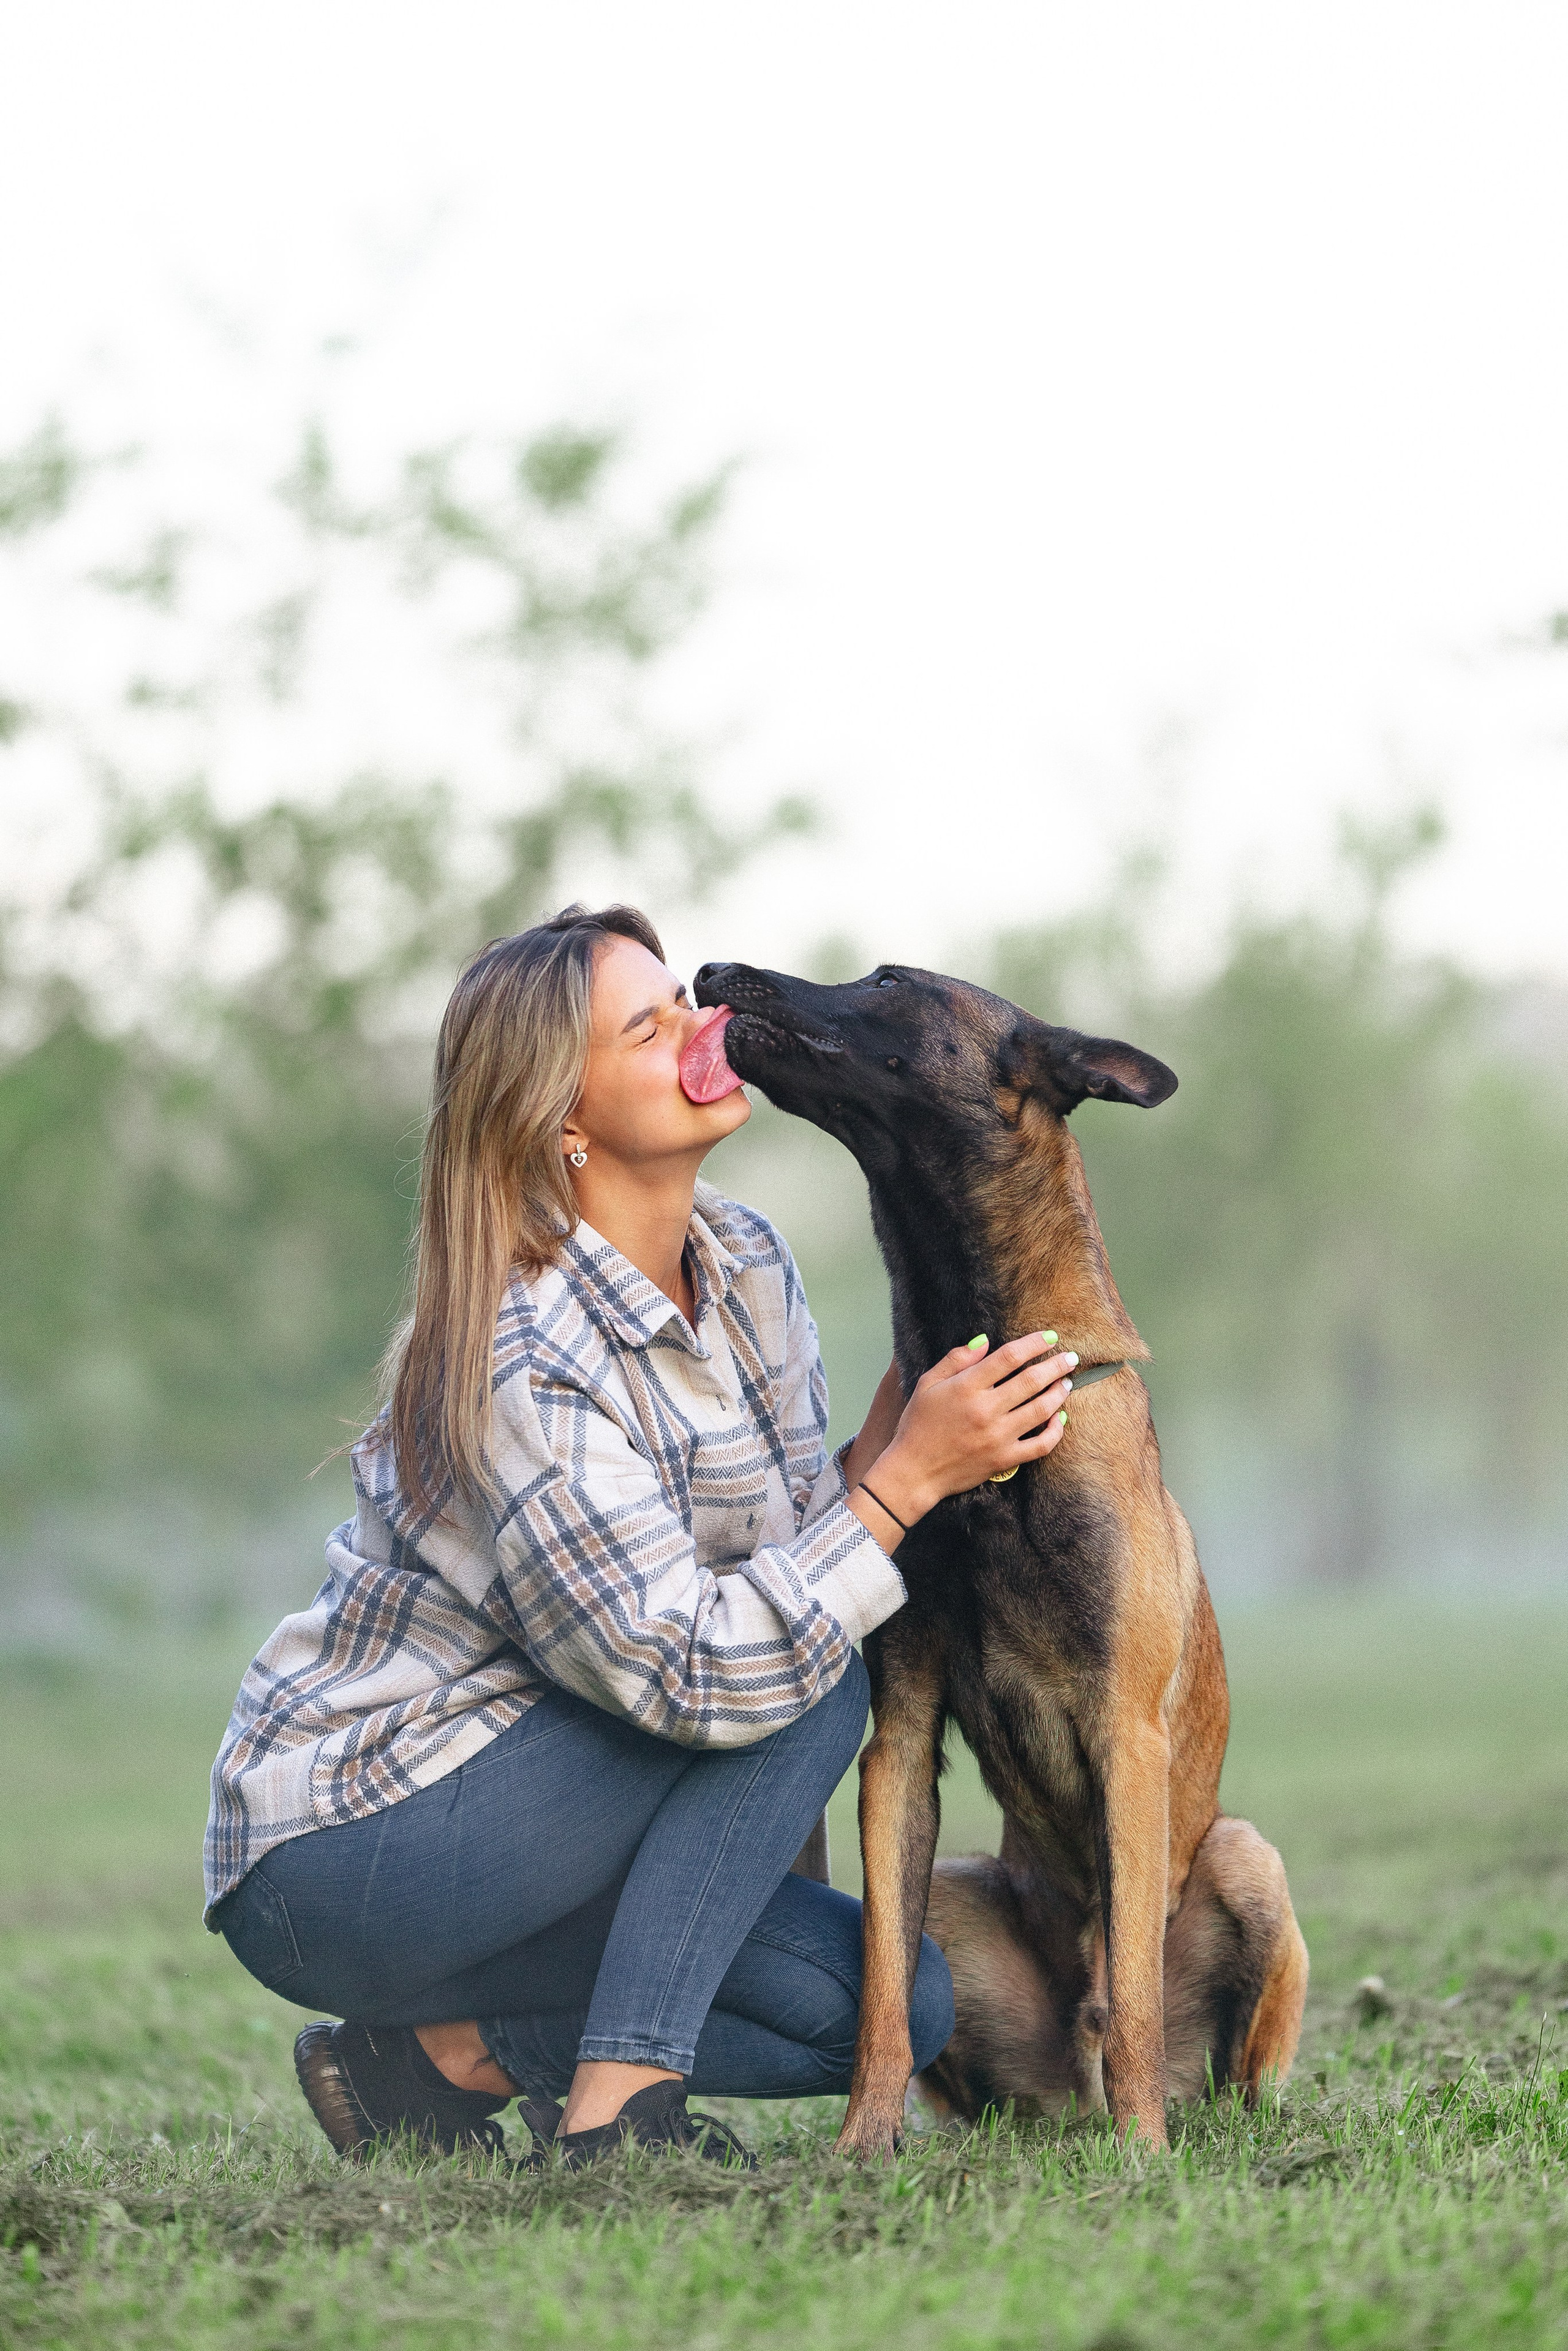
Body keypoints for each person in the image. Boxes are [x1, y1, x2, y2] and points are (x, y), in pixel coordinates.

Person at [204, 905, 1077, 2168]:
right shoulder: (520, 1346)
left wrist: (893, 1446)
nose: (701, 1025)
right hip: (353, 1848)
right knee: (819, 1654)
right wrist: (897, 1487)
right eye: (647, 1021)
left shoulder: (747, 1259)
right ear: (562, 1114)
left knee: (885, 2004)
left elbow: (777, 1549)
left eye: (684, 998)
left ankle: (438, 2057)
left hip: (569, 1804)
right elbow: (699, 1666)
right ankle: (619, 2114)